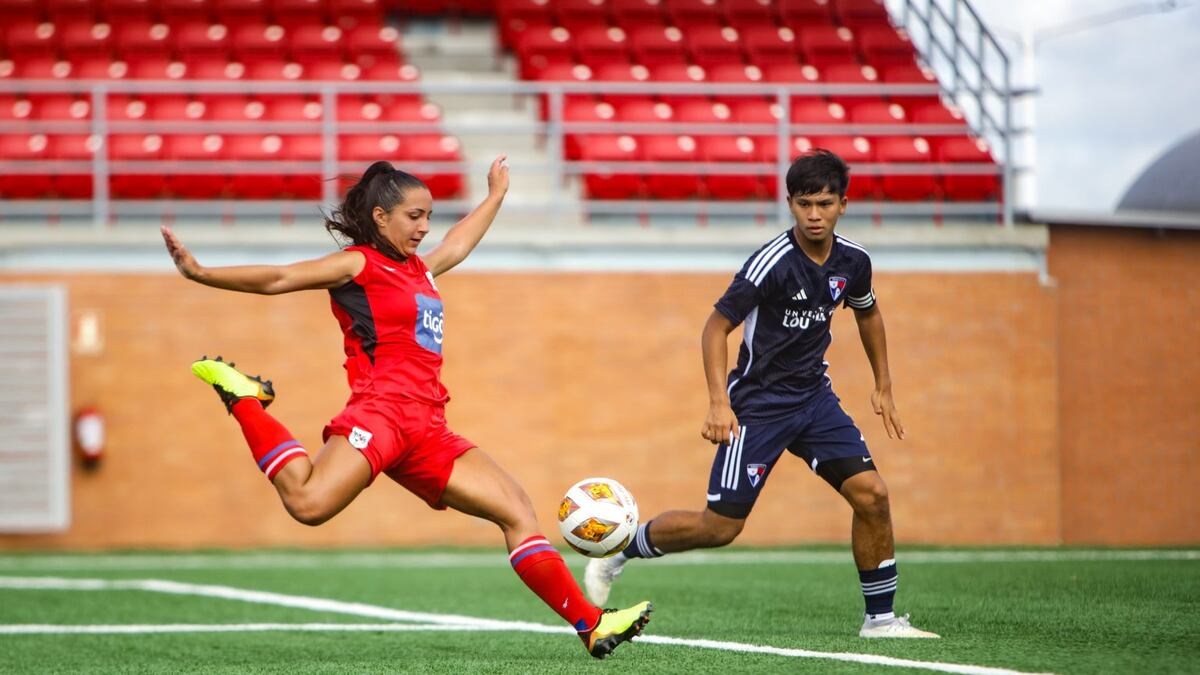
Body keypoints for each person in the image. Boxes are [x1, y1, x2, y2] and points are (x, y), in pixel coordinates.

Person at [162, 157, 652, 658]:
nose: (424, 227)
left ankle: (591, 625)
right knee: (307, 505)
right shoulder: (359, 265)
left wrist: (495, 196)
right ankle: (245, 399)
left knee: (517, 511)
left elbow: (457, 244)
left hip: (429, 427)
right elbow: (281, 277)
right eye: (414, 216)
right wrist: (200, 273)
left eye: (428, 217)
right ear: (381, 218)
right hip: (382, 414)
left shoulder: (421, 270)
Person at [584, 150, 938, 639]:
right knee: (721, 528)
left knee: (873, 496)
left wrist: (884, 384)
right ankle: (623, 550)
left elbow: (867, 312)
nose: (815, 215)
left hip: (815, 400)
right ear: (789, 203)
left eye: (825, 203)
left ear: (843, 205)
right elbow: (715, 327)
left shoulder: (854, 261)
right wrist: (717, 402)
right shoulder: (770, 263)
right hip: (757, 406)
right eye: (805, 204)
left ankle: (879, 620)